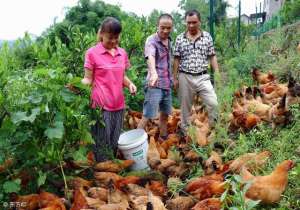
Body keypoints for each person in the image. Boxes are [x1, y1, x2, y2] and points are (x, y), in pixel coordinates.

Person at [82, 17, 137, 162]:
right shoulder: (92, 53)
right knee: (100, 142)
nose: (113, 41)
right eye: (110, 38)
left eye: (116, 37)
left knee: (114, 140)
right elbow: (88, 79)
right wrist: (76, 85)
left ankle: (111, 169)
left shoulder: (122, 53)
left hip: (118, 104)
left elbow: (121, 76)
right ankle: (101, 172)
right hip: (101, 106)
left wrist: (130, 84)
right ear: (101, 34)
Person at [173, 9, 220, 135]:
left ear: (200, 21)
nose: (191, 25)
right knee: (185, 108)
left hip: (203, 76)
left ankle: (212, 130)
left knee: (213, 103)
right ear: (185, 23)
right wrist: (175, 78)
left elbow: (212, 56)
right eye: (188, 23)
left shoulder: (207, 37)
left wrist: (217, 73)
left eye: (194, 22)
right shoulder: (180, 39)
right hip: (185, 76)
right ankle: (186, 135)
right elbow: (176, 58)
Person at [137, 14, 173, 140]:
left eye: (169, 28)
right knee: (147, 115)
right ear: (157, 26)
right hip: (155, 84)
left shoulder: (169, 41)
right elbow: (150, 56)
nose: (165, 31)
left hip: (167, 84)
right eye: (163, 27)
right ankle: (136, 141)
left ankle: (163, 138)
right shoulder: (151, 40)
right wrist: (153, 73)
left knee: (164, 114)